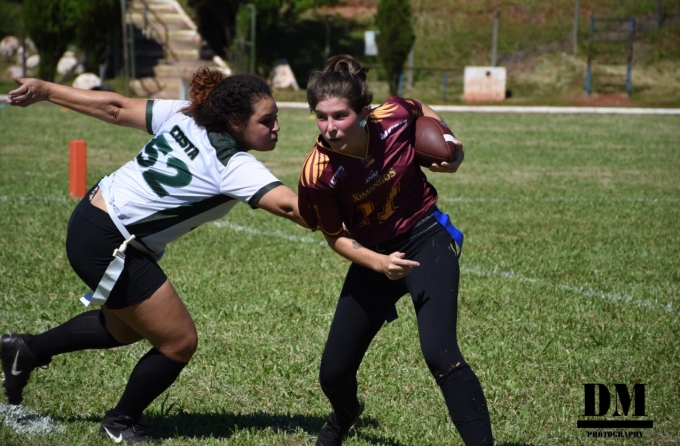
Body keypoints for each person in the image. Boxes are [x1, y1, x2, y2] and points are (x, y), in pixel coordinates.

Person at [2, 68, 306, 444]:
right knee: (179, 341)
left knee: (124, 327)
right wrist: (356, 211)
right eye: (268, 120)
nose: (277, 127)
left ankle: (26, 349)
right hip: (110, 241)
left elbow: (116, 108)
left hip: (91, 218)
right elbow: (293, 208)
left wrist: (47, 89)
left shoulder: (186, 114)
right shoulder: (232, 164)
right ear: (234, 121)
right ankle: (121, 421)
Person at [297, 55, 494, 446]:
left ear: (365, 112)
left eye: (340, 116)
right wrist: (380, 263)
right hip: (375, 256)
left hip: (424, 235)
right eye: (322, 117)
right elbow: (336, 237)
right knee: (333, 373)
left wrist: (452, 148)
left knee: (440, 352)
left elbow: (420, 109)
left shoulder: (393, 115)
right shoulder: (316, 173)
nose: (330, 128)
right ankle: (345, 414)